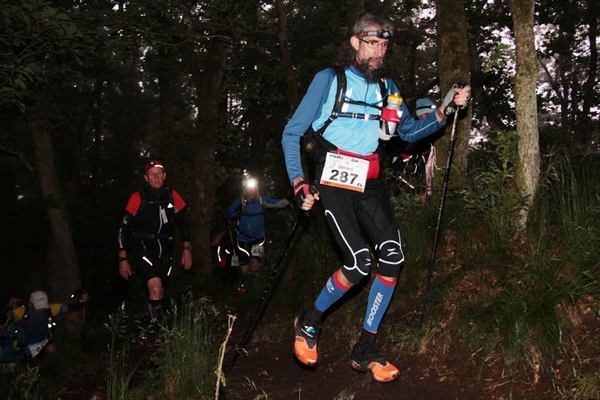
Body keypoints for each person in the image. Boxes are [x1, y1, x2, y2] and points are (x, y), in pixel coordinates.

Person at [281, 12, 470, 383]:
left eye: (384, 45)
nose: (379, 52)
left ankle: (365, 349)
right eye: (372, 43)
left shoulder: (388, 86)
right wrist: (299, 182)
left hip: (370, 183)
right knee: (358, 263)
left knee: (393, 257)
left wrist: (446, 108)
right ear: (354, 42)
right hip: (333, 181)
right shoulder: (328, 81)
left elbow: (411, 132)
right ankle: (310, 321)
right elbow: (292, 134)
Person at [117, 159, 192, 322]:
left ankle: (149, 320)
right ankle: (157, 331)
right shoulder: (138, 197)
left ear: (164, 176)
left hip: (166, 251)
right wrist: (123, 258)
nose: (156, 178)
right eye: (151, 174)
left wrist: (187, 248)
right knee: (155, 287)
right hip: (144, 250)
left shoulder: (172, 195)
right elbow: (123, 228)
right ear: (146, 178)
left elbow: (183, 223)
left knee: (160, 291)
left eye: (159, 174)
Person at [1, 290, 88, 365]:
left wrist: (81, 300)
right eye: (38, 306)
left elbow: (73, 307)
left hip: (41, 345)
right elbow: (5, 321)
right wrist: (9, 307)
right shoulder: (21, 312)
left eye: (43, 306)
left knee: (51, 349)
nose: (41, 309)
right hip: (23, 347)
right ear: (30, 304)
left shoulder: (50, 310)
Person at [224, 178, 289, 277]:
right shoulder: (240, 202)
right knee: (244, 267)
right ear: (245, 191)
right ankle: (245, 285)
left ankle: (255, 285)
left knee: (255, 264)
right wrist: (237, 211)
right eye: (249, 190)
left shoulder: (261, 201)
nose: (252, 192)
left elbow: (278, 203)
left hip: (258, 238)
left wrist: (290, 197)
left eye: (254, 190)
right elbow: (227, 214)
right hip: (242, 239)